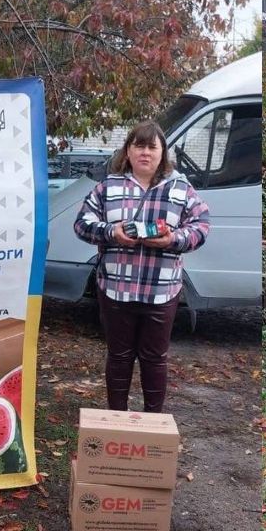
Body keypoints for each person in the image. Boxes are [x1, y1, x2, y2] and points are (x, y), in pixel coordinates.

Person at [74, 121, 210, 413]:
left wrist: (174, 239)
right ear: (128, 151)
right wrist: (112, 232)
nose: (145, 153)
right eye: (139, 145)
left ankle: (152, 424)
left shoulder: (181, 189)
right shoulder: (108, 187)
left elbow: (201, 227)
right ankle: (116, 418)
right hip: (115, 290)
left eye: (152, 146)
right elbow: (82, 224)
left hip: (161, 292)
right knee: (119, 356)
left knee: (155, 358)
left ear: (162, 153)